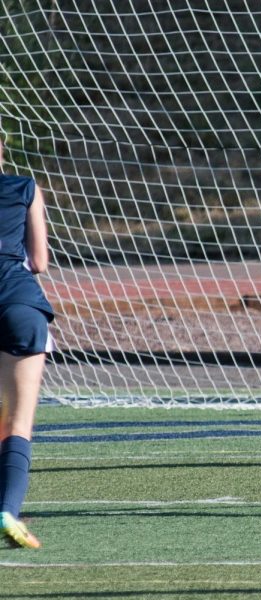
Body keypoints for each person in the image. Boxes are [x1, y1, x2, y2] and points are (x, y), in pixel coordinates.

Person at [0, 138, 55, 548]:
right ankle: (7, 511)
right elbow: (39, 262)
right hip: (19, 305)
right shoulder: (25, 187)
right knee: (16, 423)